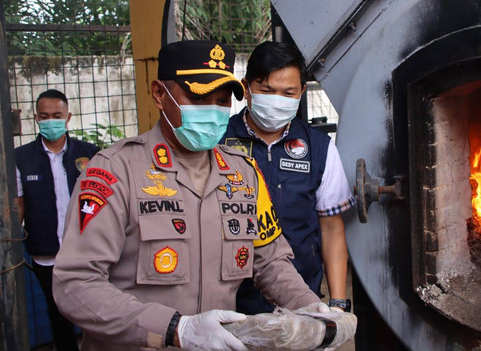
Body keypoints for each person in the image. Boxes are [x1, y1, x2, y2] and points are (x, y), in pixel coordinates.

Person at [52, 40, 334, 351]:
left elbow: (270, 262)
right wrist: (175, 328)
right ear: (160, 94)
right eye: (199, 97)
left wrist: (307, 306)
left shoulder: (244, 175)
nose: (213, 110)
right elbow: (75, 284)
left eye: (222, 100)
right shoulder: (115, 172)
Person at [222, 41, 355, 314]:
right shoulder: (219, 141)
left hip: (301, 298)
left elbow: (331, 228)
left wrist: (338, 304)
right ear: (246, 88)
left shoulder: (319, 148)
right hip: (230, 302)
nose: (276, 101)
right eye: (267, 91)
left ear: (302, 92)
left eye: (288, 93)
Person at [15, 89, 100, 351]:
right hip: (46, 253)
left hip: (88, 250)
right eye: (44, 116)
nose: (50, 121)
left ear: (68, 117)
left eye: (56, 115)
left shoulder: (91, 154)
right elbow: (19, 206)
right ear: (36, 118)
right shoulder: (21, 158)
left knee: (96, 310)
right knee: (57, 312)